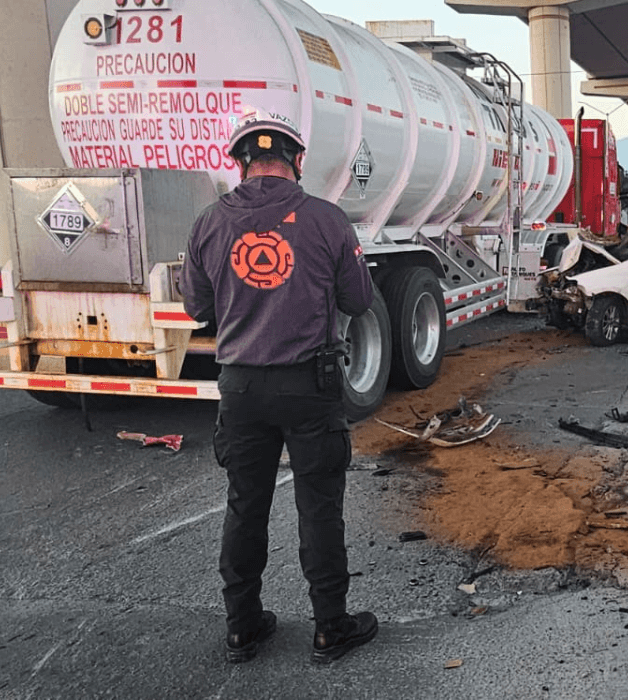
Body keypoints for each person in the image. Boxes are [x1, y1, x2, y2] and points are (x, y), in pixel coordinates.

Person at [182, 108, 379, 665]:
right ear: (298, 160)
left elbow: (196, 307)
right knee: (319, 506)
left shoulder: (208, 223)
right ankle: (329, 627)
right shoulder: (327, 219)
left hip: (240, 387)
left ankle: (242, 627)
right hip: (308, 385)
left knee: (246, 506)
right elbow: (359, 301)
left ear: (239, 162)